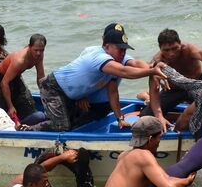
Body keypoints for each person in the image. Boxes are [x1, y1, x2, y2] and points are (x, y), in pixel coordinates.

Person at [29, 24, 166, 132]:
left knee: (69, 123)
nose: (123, 53)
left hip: (72, 94)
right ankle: (28, 129)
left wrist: (151, 68)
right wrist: (152, 71)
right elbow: (125, 72)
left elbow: (133, 66)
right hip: (53, 88)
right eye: (120, 49)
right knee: (62, 126)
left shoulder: (117, 58)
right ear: (106, 46)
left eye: (125, 50)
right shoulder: (98, 56)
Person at [141, 28, 202, 131]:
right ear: (160, 48)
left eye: (174, 48)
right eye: (166, 50)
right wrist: (159, 116)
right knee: (146, 116)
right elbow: (154, 89)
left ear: (180, 43)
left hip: (195, 87)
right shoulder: (158, 61)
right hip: (173, 90)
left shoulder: (188, 49)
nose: (171, 53)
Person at [0, 34, 47, 125]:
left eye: (41, 50)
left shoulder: (39, 55)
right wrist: (10, 106)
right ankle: (13, 124)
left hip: (15, 77)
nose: (38, 53)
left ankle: (21, 123)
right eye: (36, 50)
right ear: (29, 47)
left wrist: (46, 95)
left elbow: (40, 77)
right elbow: (4, 83)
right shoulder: (20, 61)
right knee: (1, 109)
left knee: (29, 104)